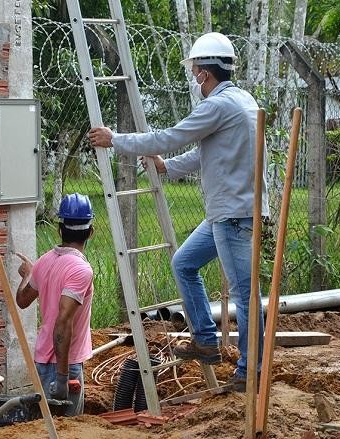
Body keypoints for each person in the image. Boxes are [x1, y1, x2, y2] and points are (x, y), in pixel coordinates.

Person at [87, 32, 269, 391]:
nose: (193, 77)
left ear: (204, 73)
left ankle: (251, 373)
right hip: (228, 212)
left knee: (246, 295)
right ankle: (205, 338)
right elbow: (206, 153)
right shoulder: (240, 100)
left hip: (234, 215)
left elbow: (170, 137)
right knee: (184, 263)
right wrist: (167, 168)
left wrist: (116, 139)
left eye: (195, 71)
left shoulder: (217, 106)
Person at [15, 193, 95, 415]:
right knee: (67, 430)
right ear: (91, 232)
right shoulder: (81, 270)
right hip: (64, 365)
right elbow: (63, 321)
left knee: (48, 428)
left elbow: (22, 300)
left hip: (43, 362)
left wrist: (28, 274)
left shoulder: (44, 261)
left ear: (59, 230)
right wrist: (62, 378)